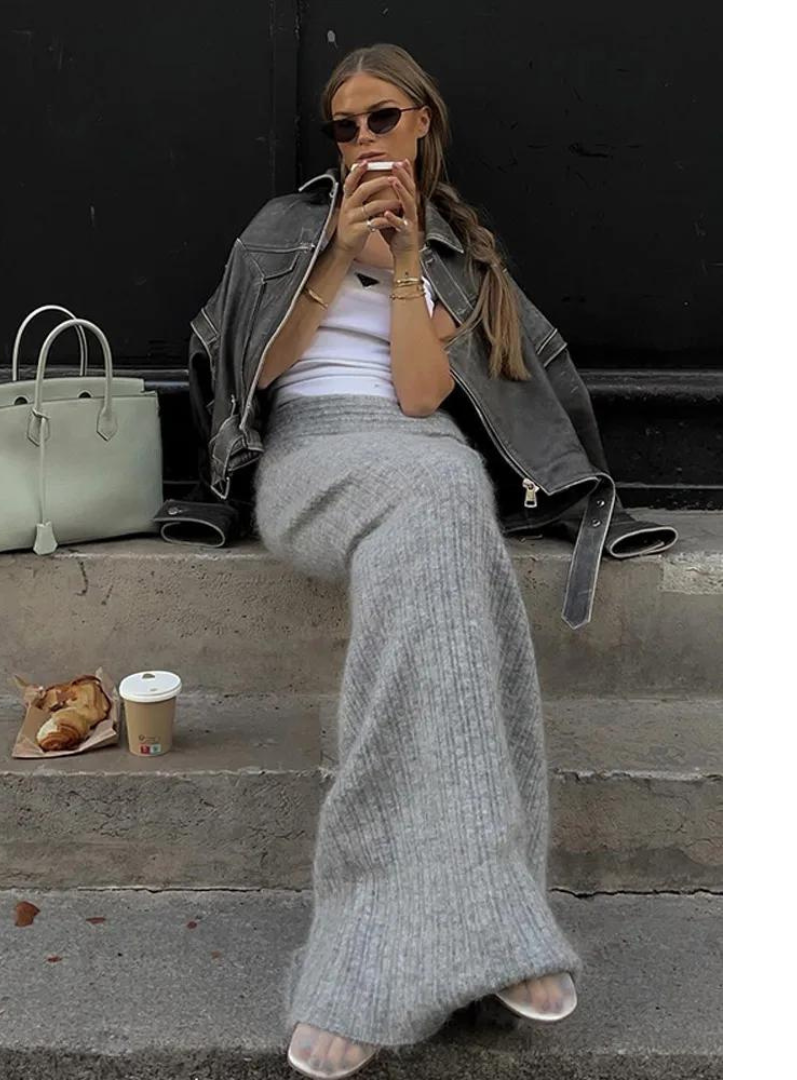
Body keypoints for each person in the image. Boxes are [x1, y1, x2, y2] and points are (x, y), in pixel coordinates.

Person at [250, 43, 582, 1080]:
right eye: (344, 128)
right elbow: (255, 375)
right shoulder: (284, 229)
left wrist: (399, 264)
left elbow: (422, 395)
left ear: (422, 122)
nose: (362, 141)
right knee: (450, 506)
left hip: (417, 447)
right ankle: (501, 919)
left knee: (445, 499)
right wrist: (330, 257)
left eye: (381, 119)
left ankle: (362, 963)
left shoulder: (457, 256)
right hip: (314, 455)